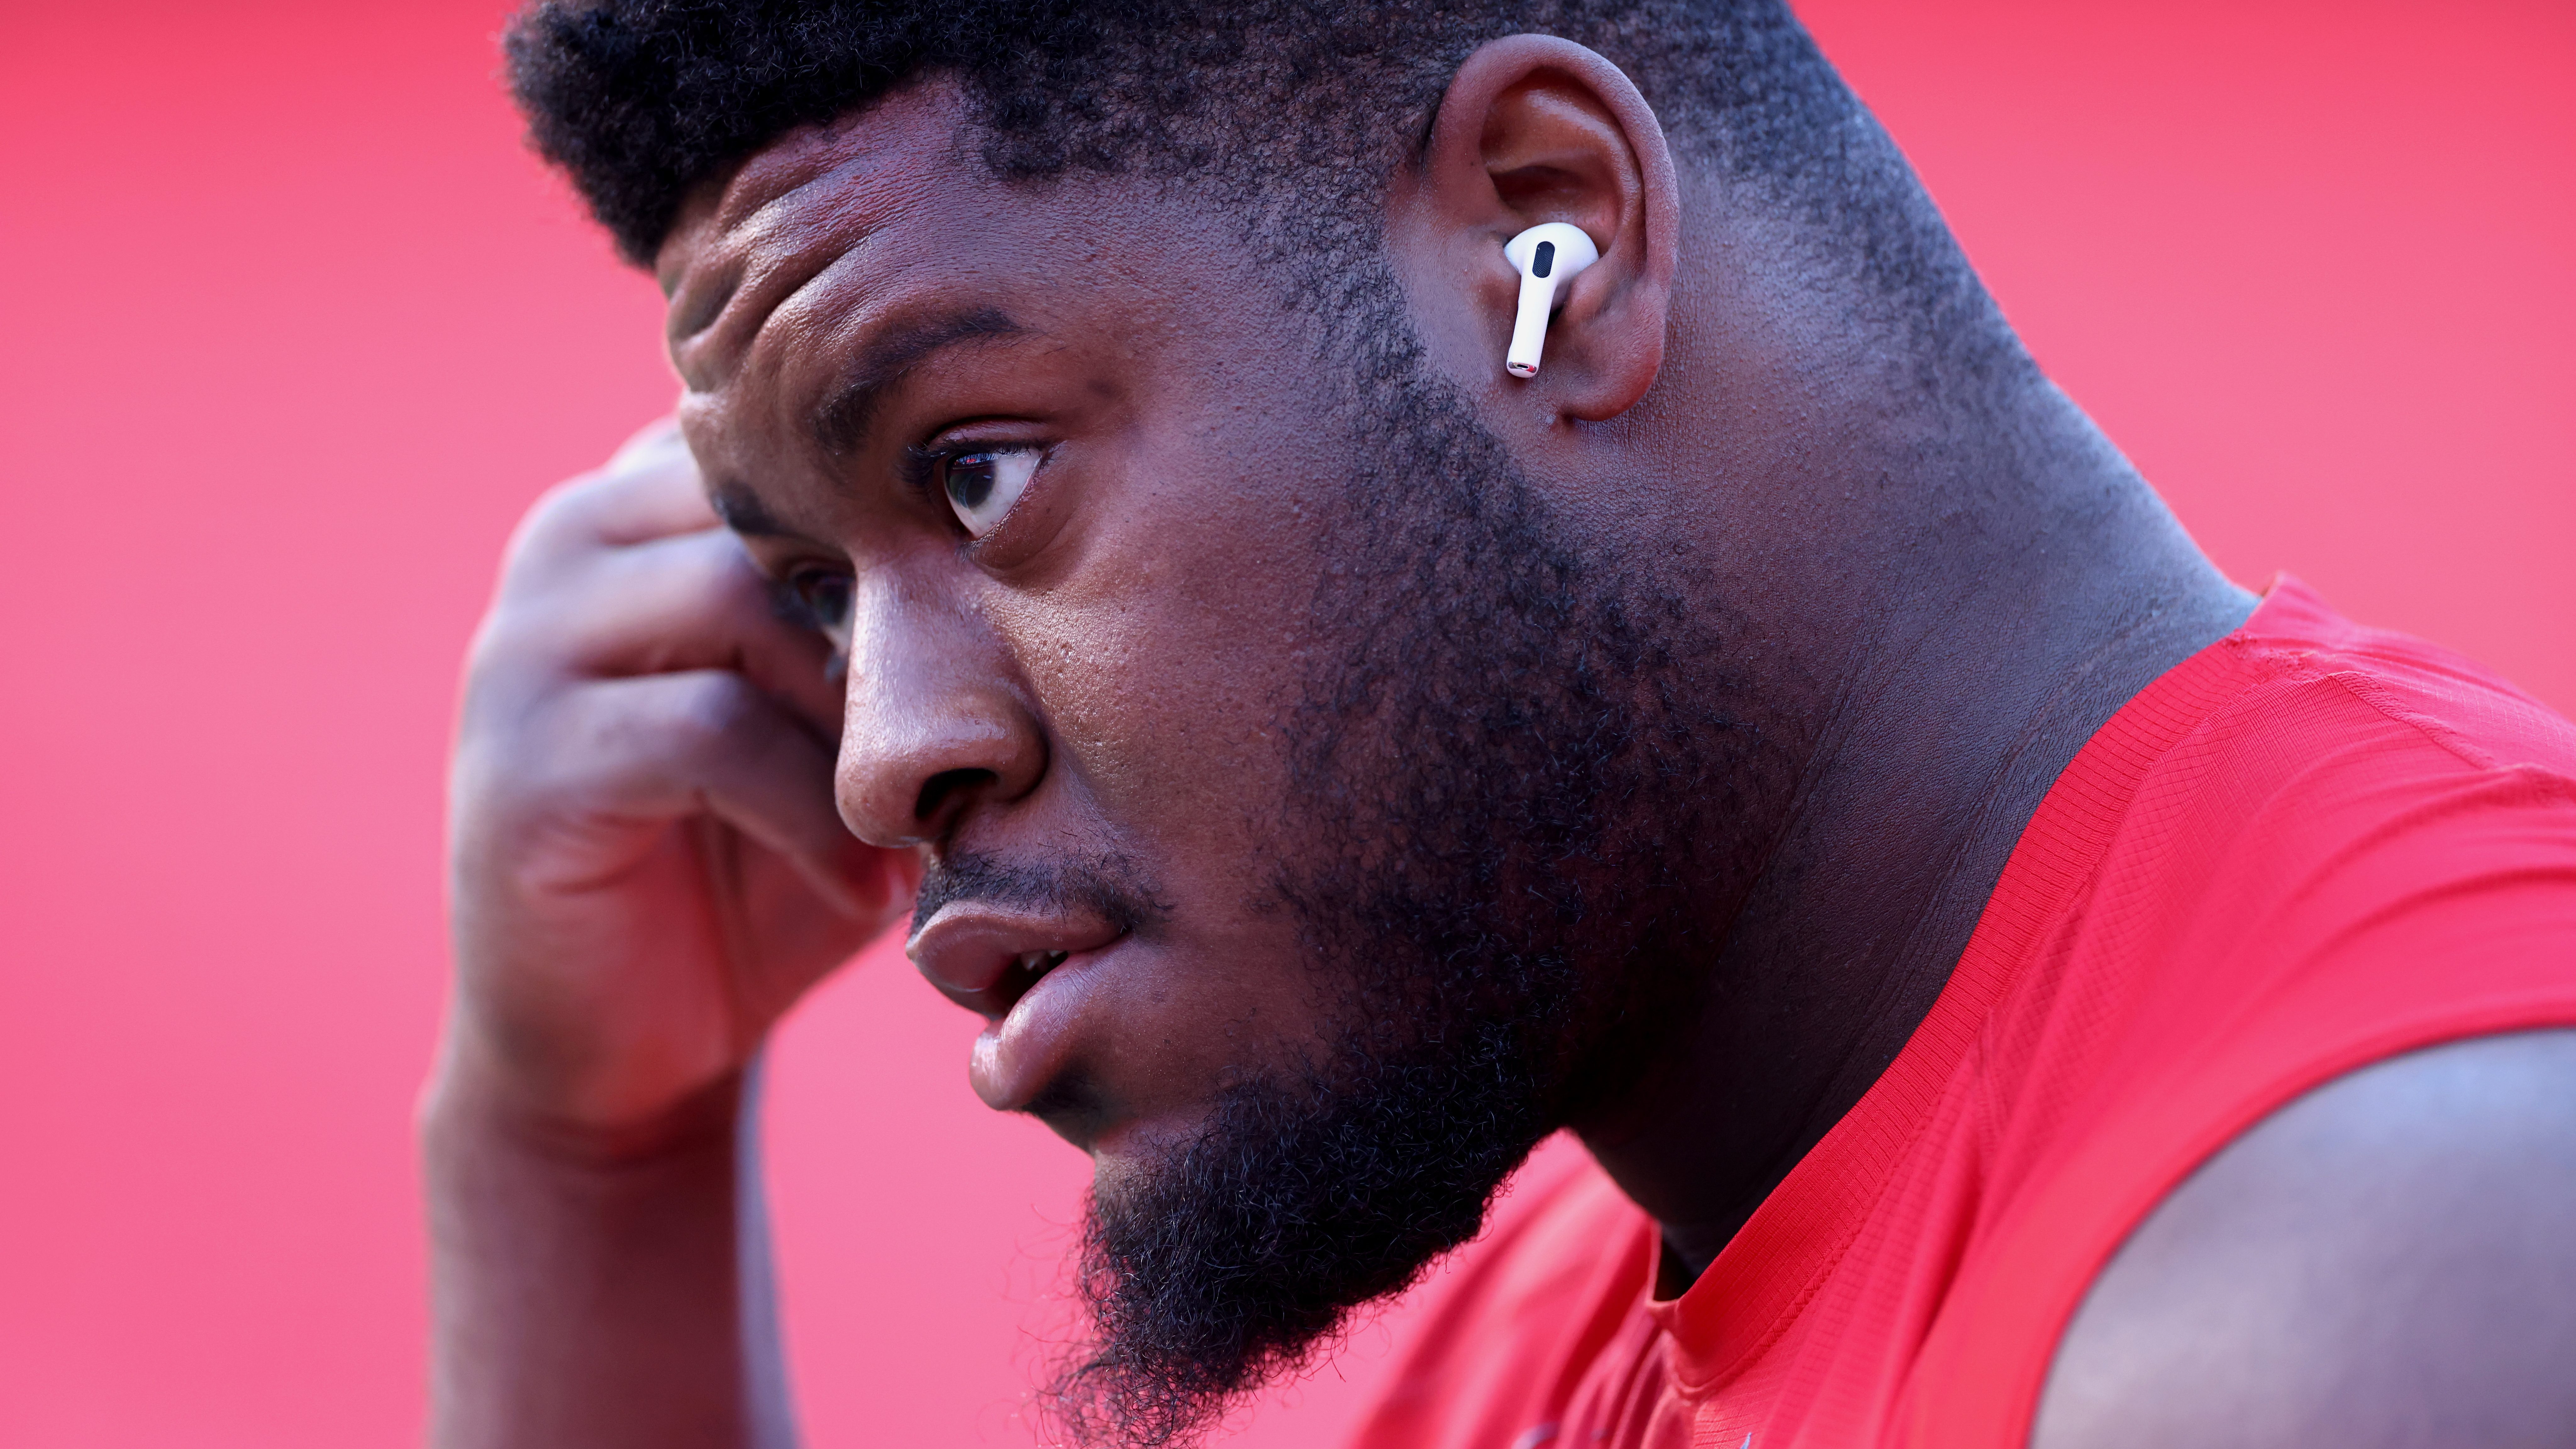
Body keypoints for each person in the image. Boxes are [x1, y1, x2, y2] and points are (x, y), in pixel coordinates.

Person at [424, 2, 2576, 1446]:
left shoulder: (2382, 1257)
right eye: (813, 585)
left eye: (977, 472)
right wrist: (587, 1149)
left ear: (1551, 233)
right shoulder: (1583, 1273)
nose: (883, 757)